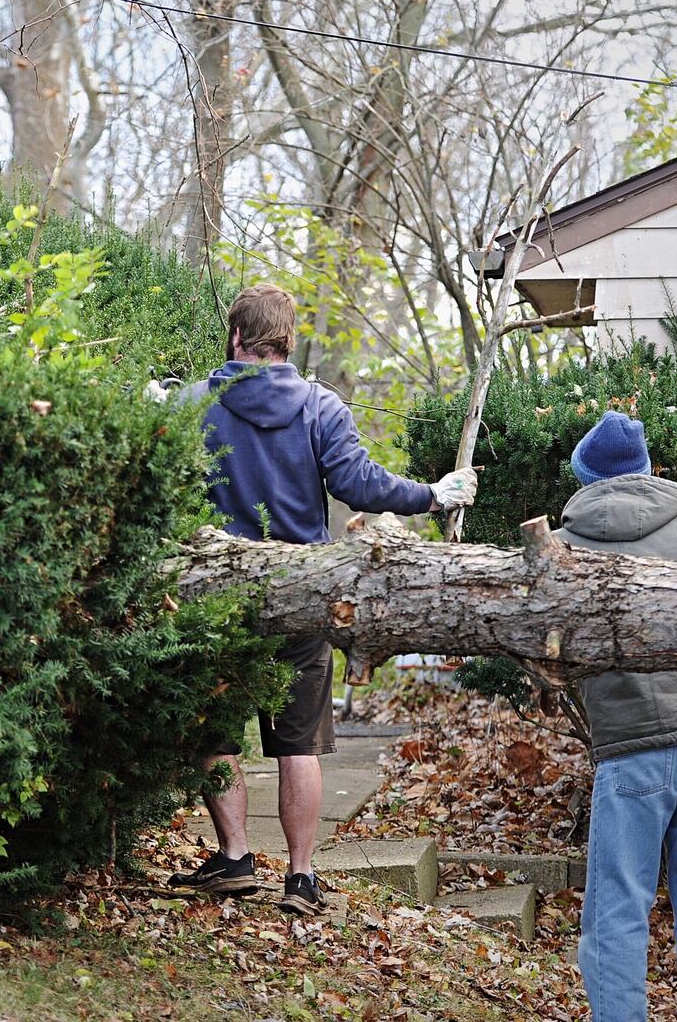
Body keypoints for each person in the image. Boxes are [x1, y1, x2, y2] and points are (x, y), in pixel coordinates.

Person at [166, 283, 476, 916]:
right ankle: (301, 877)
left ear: (235, 339)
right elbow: (361, 485)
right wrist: (434, 495)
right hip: (302, 594)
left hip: (217, 595)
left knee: (217, 734)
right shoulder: (319, 407)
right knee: (297, 744)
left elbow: (156, 471)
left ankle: (233, 858)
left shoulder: (195, 404)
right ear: (287, 342)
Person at [555, 411, 677, 1021]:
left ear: (585, 475)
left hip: (632, 744)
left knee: (618, 911)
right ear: (647, 469)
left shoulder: (563, 544)